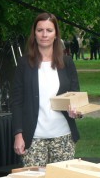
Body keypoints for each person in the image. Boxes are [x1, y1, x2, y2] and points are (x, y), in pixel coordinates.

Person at [11, 12, 82, 167]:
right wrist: (18, 134)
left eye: (49, 30)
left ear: (56, 34)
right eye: (40, 30)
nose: (44, 34)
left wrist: (76, 111)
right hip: (33, 139)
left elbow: (76, 96)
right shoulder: (24, 64)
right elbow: (16, 102)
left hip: (63, 137)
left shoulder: (67, 63)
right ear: (34, 34)